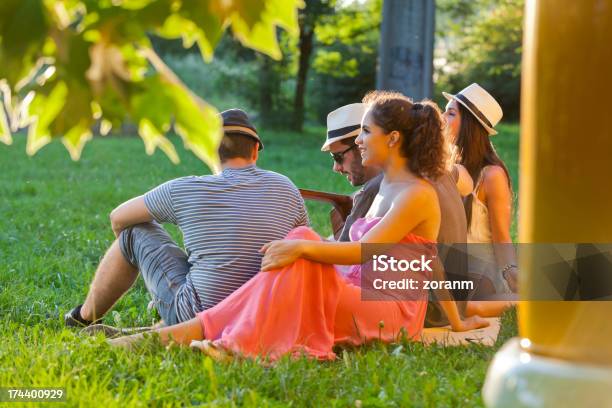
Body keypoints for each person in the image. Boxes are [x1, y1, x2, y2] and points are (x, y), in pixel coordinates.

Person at [108, 91, 489, 359]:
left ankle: (226, 343)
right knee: (299, 242)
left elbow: (362, 251)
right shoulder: (389, 183)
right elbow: (431, 261)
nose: (358, 140)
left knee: (302, 242)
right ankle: (164, 337)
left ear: (392, 138)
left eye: (365, 132)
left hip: (388, 309)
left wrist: (303, 247)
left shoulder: (418, 193)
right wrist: (457, 319)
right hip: (356, 293)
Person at [65, 109, 308, 331]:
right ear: (255, 151)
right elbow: (303, 247)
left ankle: (82, 318)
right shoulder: (287, 188)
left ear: (209, 150)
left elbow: (118, 218)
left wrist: (151, 272)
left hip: (198, 317)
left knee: (133, 231)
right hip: (263, 315)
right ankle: (157, 328)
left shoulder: (185, 189)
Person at [323, 103, 483, 328]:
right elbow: (429, 256)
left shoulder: (395, 190)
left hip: (414, 307)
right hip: (445, 302)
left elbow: (348, 253)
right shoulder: (432, 173)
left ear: (391, 139)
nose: (336, 168)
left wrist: (301, 246)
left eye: (338, 157)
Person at [442, 83, 519, 295]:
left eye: (450, 113)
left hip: (477, 274)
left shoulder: (491, 175)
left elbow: (502, 237)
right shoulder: (447, 167)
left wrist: (511, 273)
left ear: (469, 124)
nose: (441, 118)